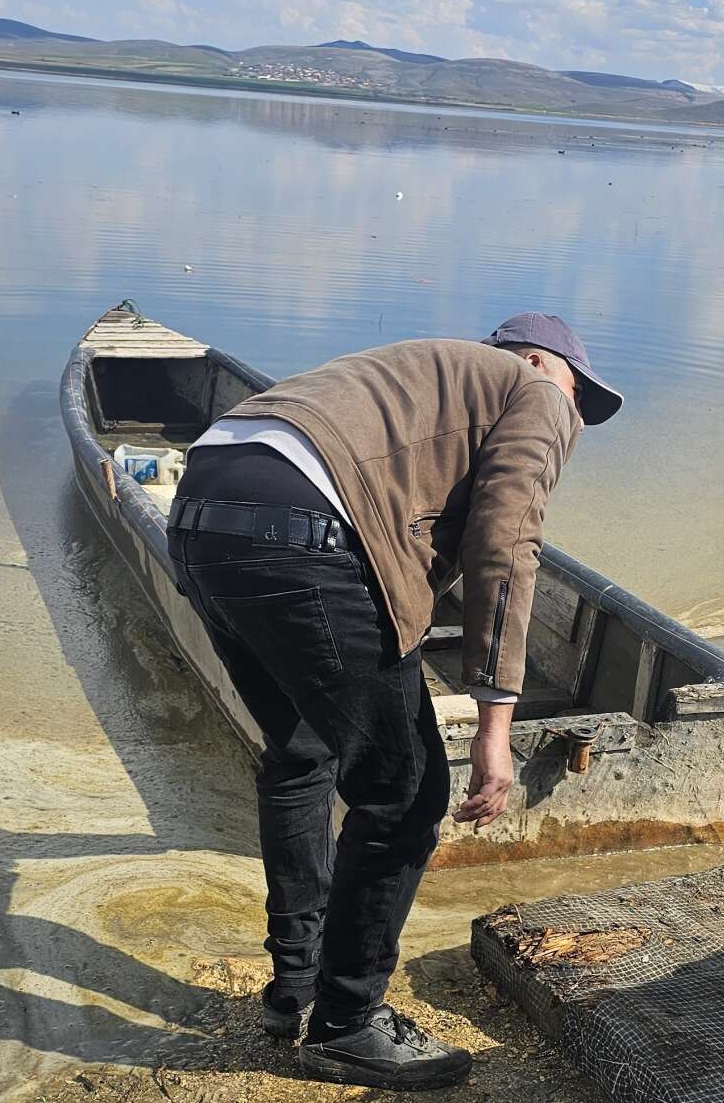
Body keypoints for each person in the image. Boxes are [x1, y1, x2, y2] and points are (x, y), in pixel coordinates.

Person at [166, 312, 622, 1091]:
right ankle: (347, 1024)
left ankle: (297, 986)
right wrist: (494, 722)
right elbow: (506, 546)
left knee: (302, 756)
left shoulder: (420, 377)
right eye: (580, 396)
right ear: (547, 364)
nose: (575, 418)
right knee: (407, 791)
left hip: (202, 508)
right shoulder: (535, 392)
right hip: (303, 527)